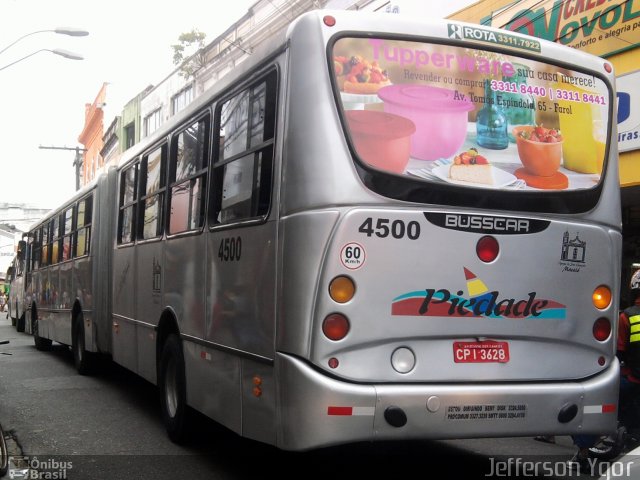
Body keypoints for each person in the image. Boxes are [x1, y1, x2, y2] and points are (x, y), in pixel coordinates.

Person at [568, 270, 640, 470]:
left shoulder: (627, 317)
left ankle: (583, 453)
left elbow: (617, 352)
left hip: (631, 380)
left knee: (591, 404)